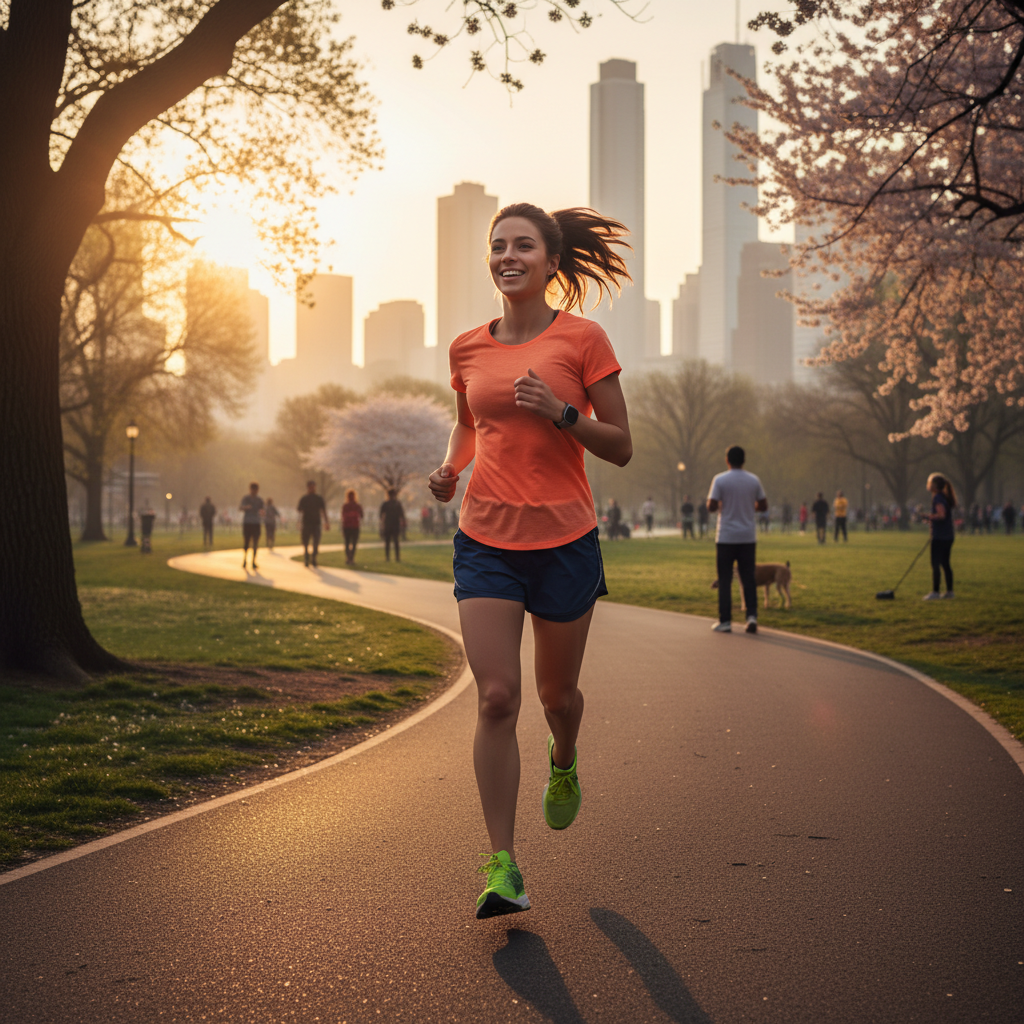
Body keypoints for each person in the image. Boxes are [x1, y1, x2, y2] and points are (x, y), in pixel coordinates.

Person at [428, 202, 632, 921]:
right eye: (497, 246)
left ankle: (565, 756)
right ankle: (503, 865)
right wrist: (450, 469)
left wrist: (561, 412)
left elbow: (620, 444)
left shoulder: (583, 339)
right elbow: (468, 426)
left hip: (565, 542)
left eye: (522, 246)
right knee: (496, 697)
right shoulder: (465, 349)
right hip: (485, 540)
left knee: (556, 699)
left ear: (550, 261)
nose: (507, 255)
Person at [707, 446, 767, 635]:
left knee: (725, 580)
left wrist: (722, 504)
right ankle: (751, 618)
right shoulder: (753, 480)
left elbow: (711, 506)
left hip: (726, 536)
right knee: (748, 578)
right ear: (744, 460)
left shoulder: (720, 480)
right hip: (747, 536)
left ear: (727, 460)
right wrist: (750, 506)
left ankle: (725, 621)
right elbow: (764, 505)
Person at [923, 473, 957, 600]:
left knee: (935, 563)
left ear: (934, 486)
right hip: (948, 535)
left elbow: (941, 515)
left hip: (940, 537)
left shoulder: (937, 498)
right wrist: (931, 519)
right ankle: (949, 592)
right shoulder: (944, 497)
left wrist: (928, 517)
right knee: (945, 563)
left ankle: (935, 592)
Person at [297, 480, 329, 568]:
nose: (312, 488)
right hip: (306, 523)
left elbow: (323, 511)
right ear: (308, 488)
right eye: (310, 487)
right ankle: (306, 557)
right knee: (305, 542)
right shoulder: (304, 499)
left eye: (313, 486)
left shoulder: (319, 498)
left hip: (316, 523)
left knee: (316, 542)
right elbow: (300, 511)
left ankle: (314, 557)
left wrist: (326, 522)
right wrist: (298, 523)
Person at [239, 482, 264, 569]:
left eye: (255, 489)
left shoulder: (260, 500)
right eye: (253, 489)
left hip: (256, 523)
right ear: (250, 489)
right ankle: (245, 559)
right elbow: (240, 508)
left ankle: (253, 561)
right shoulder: (246, 499)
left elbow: (262, 511)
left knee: (255, 543)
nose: (254, 491)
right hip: (248, 522)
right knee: (246, 542)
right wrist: (246, 507)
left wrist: (262, 513)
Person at [379, 489, 406, 562]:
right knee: (391, 541)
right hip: (391, 524)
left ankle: (394, 557)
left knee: (394, 541)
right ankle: (391, 557)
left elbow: (381, 515)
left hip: (393, 524)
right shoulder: (394, 503)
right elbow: (402, 514)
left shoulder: (391, 503)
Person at [342, 489, 364, 565]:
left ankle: (349, 558)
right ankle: (351, 558)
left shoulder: (346, 506)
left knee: (347, 543)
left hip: (348, 527)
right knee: (353, 543)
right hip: (354, 527)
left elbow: (343, 516)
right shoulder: (357, 506)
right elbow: (362, 516)